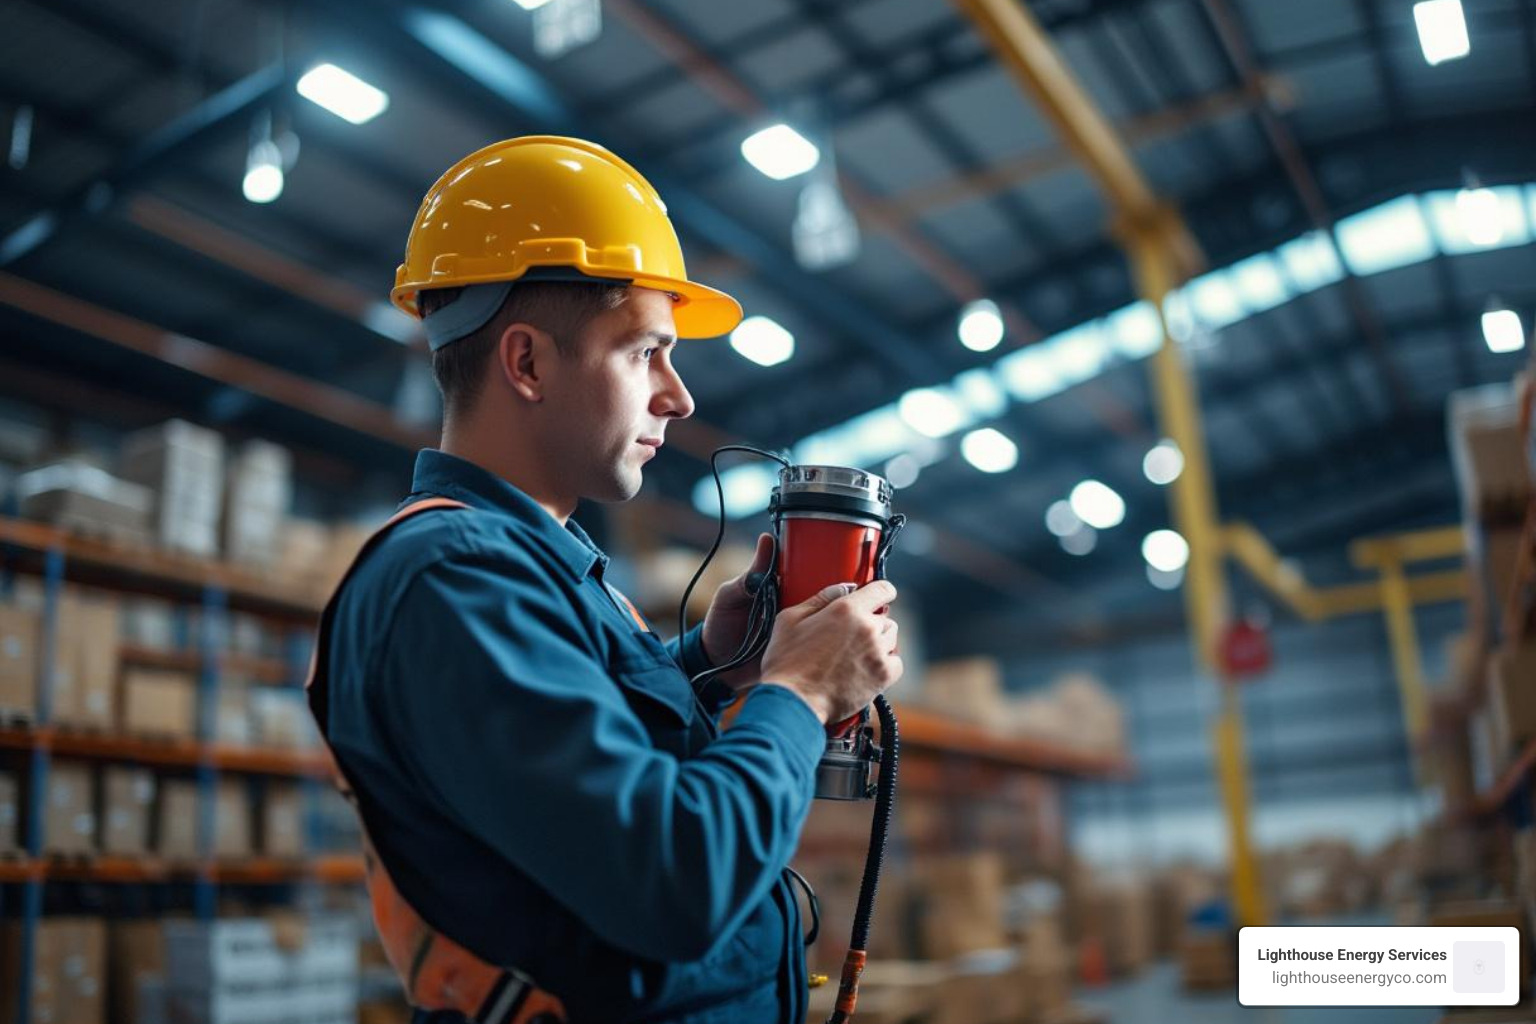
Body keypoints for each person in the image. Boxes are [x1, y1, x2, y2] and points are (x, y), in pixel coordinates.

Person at [309, 136, 903, 1024]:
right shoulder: (453, 577)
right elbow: (672, 880)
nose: (679, 396)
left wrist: (713, 662)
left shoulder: (537, 567)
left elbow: (584, 758)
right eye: (643, 353)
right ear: (527, 363)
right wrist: (801, 690)